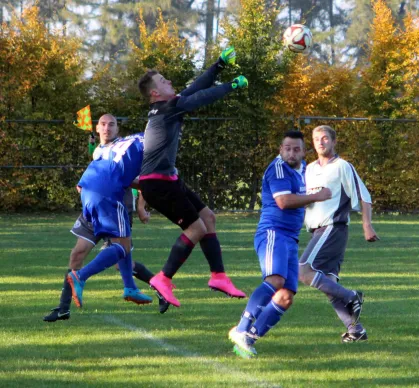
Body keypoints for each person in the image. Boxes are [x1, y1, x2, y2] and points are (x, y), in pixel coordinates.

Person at [137, 46, 248, 307]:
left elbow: (195, 88)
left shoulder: (167, 105)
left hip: (167, 180)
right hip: (157, 183)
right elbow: (200, 98)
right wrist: (231, 85)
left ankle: (219, 276)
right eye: (164, 81)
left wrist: (219, 65)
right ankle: (163, 278)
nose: (170, 82)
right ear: (155, 93)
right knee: (196, 227)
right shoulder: (167, 108)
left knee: (208, 218)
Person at [43, 115, 161, 322]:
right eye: (103, 124)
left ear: (117, 128)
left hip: (116, 206)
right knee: (77, 254)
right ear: (97, 128)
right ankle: (63, 308)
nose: (107, 128)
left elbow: (142, 179)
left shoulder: (125, 147)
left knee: (121, 257)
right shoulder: (98, 150)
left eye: (112, 124)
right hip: (94, 207)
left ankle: (158, 288)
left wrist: (141, 206)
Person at [228, 130, 332, 358]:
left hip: (291, 238)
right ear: (280, 150)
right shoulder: (278, 169)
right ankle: (242, 328)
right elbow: (283, 202)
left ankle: (249, 338)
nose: (291, 153)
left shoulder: (305, 169)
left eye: (296, 149)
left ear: (304, 152)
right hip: (273, 232)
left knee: (285, 297)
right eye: (287, 148)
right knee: (275, 280)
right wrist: (317, 197)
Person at [299, 125, 380, 343]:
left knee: (303, 271)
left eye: (325, 138)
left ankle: (352, 296)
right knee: (328, 285)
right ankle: (356, 330)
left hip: (332, 228)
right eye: (316, 139)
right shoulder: (309, 169)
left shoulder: (342, 166)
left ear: (334, 142)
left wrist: (367, 225)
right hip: (318, 231)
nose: (321, 142)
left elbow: (364, 196)